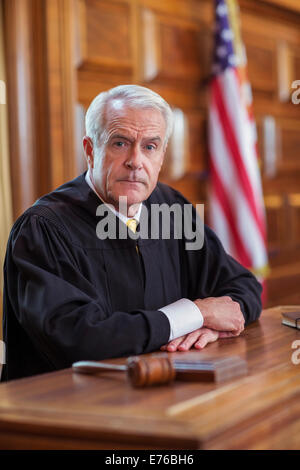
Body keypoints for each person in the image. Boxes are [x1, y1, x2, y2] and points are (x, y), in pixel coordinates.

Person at [2, 85, 262, 381]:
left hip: (160, 396)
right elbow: (80, 340)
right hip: (65, 412)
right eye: (120, 143)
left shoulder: (171, 210)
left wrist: (212, 326)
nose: (136, 161)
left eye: (150, 146)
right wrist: (195, 314)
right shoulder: (44, 228)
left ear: (162, 156)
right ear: (90, 150)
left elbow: (244, 286)